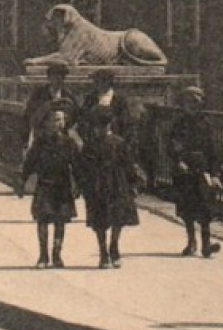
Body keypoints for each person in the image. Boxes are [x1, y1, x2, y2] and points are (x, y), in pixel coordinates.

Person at [20, 107, 81, 268]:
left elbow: (77, 165)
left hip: (62, 185)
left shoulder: (69, 143)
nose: (59, 124)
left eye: (62, 120)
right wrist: (22, 181)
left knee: (60, 221)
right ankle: (43, 255)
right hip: (45, 184)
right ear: (47, 123)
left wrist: (79, 185)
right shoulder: (40, 142)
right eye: (55, 120)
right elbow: (29, 163)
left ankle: (56, 254)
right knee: (42, 220)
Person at [84, 110, 144, 268]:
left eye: (104, 126)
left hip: (117, 183)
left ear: (109, 125)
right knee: (99, 220)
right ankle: (103, 252)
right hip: (98, 185)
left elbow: (128, 164)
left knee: (118, 217)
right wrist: (85, 185)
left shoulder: (119, 143)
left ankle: (114, 246)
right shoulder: (90, 145)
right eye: (97, 126)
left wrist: (133, 184)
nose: (100, 129)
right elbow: (83, 166)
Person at [168, 85, 223, 258]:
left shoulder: (206, 124)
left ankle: (206, 244)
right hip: (185, 170)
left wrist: (214, 174)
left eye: (195, 102)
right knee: (187, 207)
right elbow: (171, 146)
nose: (192, 105)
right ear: (183, 104)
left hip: (202, 170)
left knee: (205, 208)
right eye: (188, 102)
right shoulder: (178, 124)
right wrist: (178, 161)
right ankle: (191, 241)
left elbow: (213, 151)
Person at [23, 63, 81, 152]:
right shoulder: (39, 94)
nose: (58, 80)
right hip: (42, 135)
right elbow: (29, 116)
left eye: (61, 77)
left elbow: (76, 116)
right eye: (55, 77)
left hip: (62, 135)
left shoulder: (68, 95)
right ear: (49, 78)